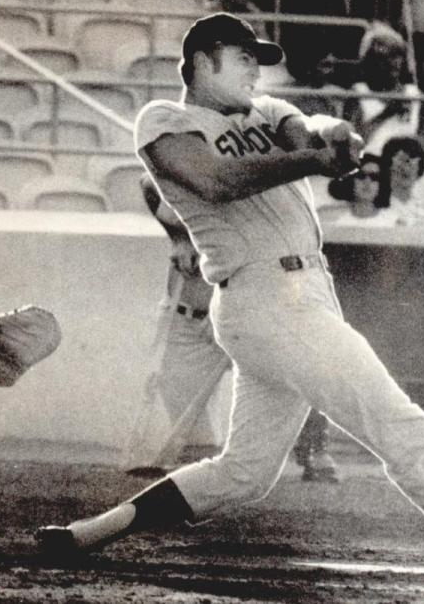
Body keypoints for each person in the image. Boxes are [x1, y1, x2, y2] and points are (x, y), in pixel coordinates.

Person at [36, 12, 424, 586]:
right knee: (407, 432)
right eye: (242, 61)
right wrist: (313, 159)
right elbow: (214, 180)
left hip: (300, 295)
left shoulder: (266, 111)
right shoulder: (164, 118)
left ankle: (88, 533)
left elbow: (309, 133)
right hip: (262, 296)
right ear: (201, 63)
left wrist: (336, 140)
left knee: (244, 473)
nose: (254, 73)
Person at [135, 175, 341, 482]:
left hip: (249, 304)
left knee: (301, 366)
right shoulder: (182, 166)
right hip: (190, 314)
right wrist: (179, 237)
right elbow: (148, 183)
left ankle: (314, 450)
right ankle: (197, 469)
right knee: (182, 432)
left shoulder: (259, 182)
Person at [344, 23, 421, 157]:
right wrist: (386, 114)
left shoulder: (414, 94)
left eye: (397, 55)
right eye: (383, 57)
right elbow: (351, 143)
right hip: (367, 166)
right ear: (369, 60)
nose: (392, 62)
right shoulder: (358, 92)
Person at [321, 154, 400, 227]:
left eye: (374, 177)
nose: (367, 182)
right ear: (350, 181)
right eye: (361, 176)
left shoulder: (393, 222)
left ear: (382, 184)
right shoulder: (328, 217)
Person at [378, 136, 424, 225]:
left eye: (411, 165)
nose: (406, 169)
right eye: (401, 163)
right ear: (388, 166)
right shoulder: (375, 207)